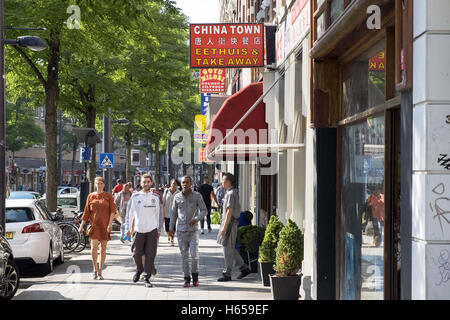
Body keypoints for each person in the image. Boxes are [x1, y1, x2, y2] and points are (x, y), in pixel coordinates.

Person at [125, 174, 163, 288]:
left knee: (150, 255)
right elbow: (130, 213)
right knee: (136, 253)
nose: (146, 184)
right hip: (138, 229)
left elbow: (159, 214)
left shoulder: (155, 197)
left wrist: (159, 229)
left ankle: (147, 277)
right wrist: (128, 228)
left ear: (151, 183)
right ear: (140, 183)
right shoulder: (135, 197)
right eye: (144, 182)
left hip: (152, 230)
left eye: (148, 182)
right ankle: (139, 269)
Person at [169, 176, 207, 288]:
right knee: (184, 256)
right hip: (181, 231)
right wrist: (171, 228)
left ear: (191, 183)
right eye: (183, 182)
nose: (185, 184)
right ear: (180, 184)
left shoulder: (197, 196)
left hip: (193, 230)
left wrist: (196, 218)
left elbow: (204, 210)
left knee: (194, 255)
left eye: (187, 182)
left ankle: (195, 276)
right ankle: (186, 279)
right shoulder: (177, 197)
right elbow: (173, 214)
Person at [78, 176, 117, 280]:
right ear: (94, 185)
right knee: (94, 247)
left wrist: (110, 224)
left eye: (101, 183)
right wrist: (81, 226)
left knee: (103, 249)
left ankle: (100, 271)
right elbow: (86, 212)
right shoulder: (91, 196)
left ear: (104, 184)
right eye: (97, 183)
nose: (99, 185)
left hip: (105, 226)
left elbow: (113, 211)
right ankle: (94, 269)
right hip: (94, 226)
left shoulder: (108, 196)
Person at [217, 173, 251, 282]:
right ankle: (243, 268)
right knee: (230, 248)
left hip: (230, 224)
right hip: (230, 223)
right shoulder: (231, 192)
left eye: (223, 180)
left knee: (227, 248)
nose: (221, 182)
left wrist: (225, 227)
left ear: (228, 182)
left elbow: (229, 211)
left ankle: (227, 273)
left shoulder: (231, 193)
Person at [163, 179, 180, 246]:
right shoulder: (166, 191)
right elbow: (163, 201)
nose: (174, 185)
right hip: (167, 212)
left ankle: (172, 238)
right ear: (170, 184)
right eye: (173, 183)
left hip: (174, 213)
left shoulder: (178, 192)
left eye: (175, 184)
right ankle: (169, 235)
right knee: (167, 227)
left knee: (173, 226)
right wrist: (162, 211)